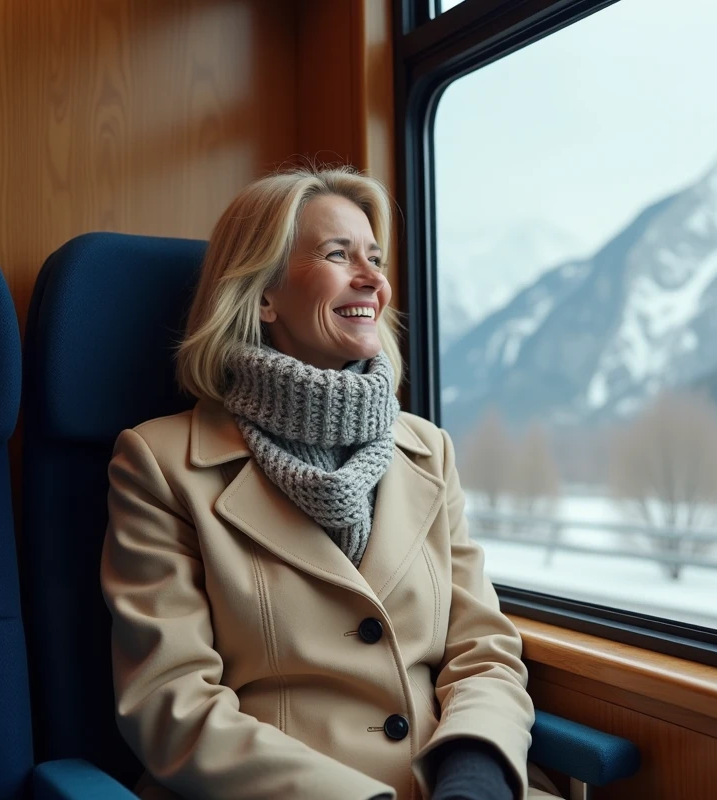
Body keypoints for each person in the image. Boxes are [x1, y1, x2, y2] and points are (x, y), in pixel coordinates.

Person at [101, 168, 561, 800]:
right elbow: (171, 704)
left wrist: (475, 777)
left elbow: (483, 649)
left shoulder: (429, 450)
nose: (374, 279)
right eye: (338, 255)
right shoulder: (157, 464)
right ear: (263, 295)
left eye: (375, 257)